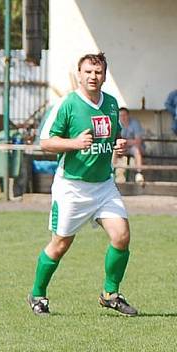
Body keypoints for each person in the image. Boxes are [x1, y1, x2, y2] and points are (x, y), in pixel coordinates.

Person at [28, 52, 137, 317]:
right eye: (88, 72)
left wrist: (118, 145)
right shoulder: (66, 105)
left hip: (103, 185)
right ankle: (37, 295)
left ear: (104, 75)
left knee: (121, 236)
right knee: (60, 244)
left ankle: (110, 294)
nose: (93, 76)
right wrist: (74, 143)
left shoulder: (111, 104)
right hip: (72, 188)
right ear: (79, 74)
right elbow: (45, 142)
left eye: (97, 72)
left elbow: (112, 138)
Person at [114, 107, 146, 184]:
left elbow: (138, 141)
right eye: (121, 115)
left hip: (134, 147)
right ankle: (112, 172)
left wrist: (125, 142)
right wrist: (127, 142)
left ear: (128, 115)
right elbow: (114, 141)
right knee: (114, 150)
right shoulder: (116, 124)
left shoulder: (135, 123)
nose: (123, 117)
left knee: (136, 150)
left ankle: (139, 173)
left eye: (124, 115)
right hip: (123, 147)